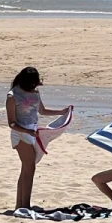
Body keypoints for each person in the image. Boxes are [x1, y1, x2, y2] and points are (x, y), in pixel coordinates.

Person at [6, 66, 69, 210]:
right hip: (21, 133)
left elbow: (42, 110)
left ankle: (20, 205)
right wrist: (27, 131)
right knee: (30, 168)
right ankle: (25, 205)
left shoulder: (35, 92)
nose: (34, 86)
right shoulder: (12, 96)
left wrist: (62, 112)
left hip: (32, 131)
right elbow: (11, 123)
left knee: (26, 169)